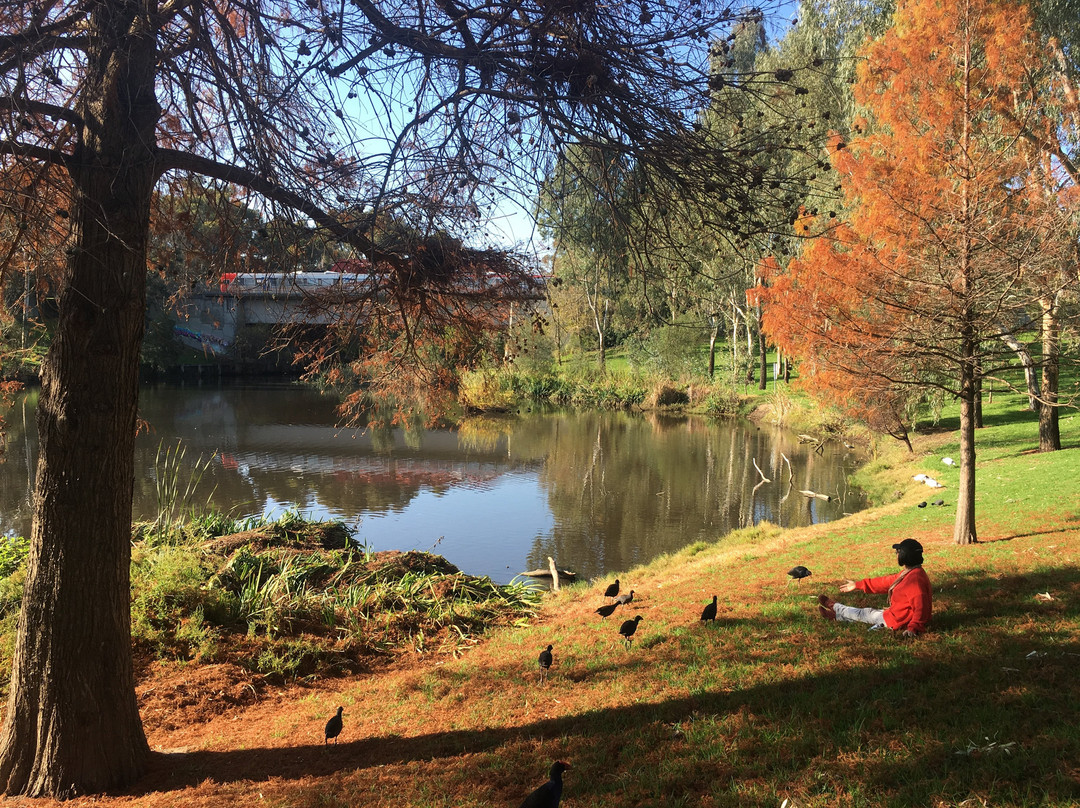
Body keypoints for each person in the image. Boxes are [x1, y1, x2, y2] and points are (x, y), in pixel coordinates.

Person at [818, 538, 931, 637]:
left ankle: (835, 607)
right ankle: (836, 616)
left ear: (904, 555)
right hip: (894, 616)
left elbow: (921, 607)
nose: (896, 555)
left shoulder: (915, 580)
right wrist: (858, 585)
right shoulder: (910, 573)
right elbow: (885, 582)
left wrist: (913, 628)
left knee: (863, 614)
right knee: (865, 616)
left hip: (895, 621)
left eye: (897, 552)